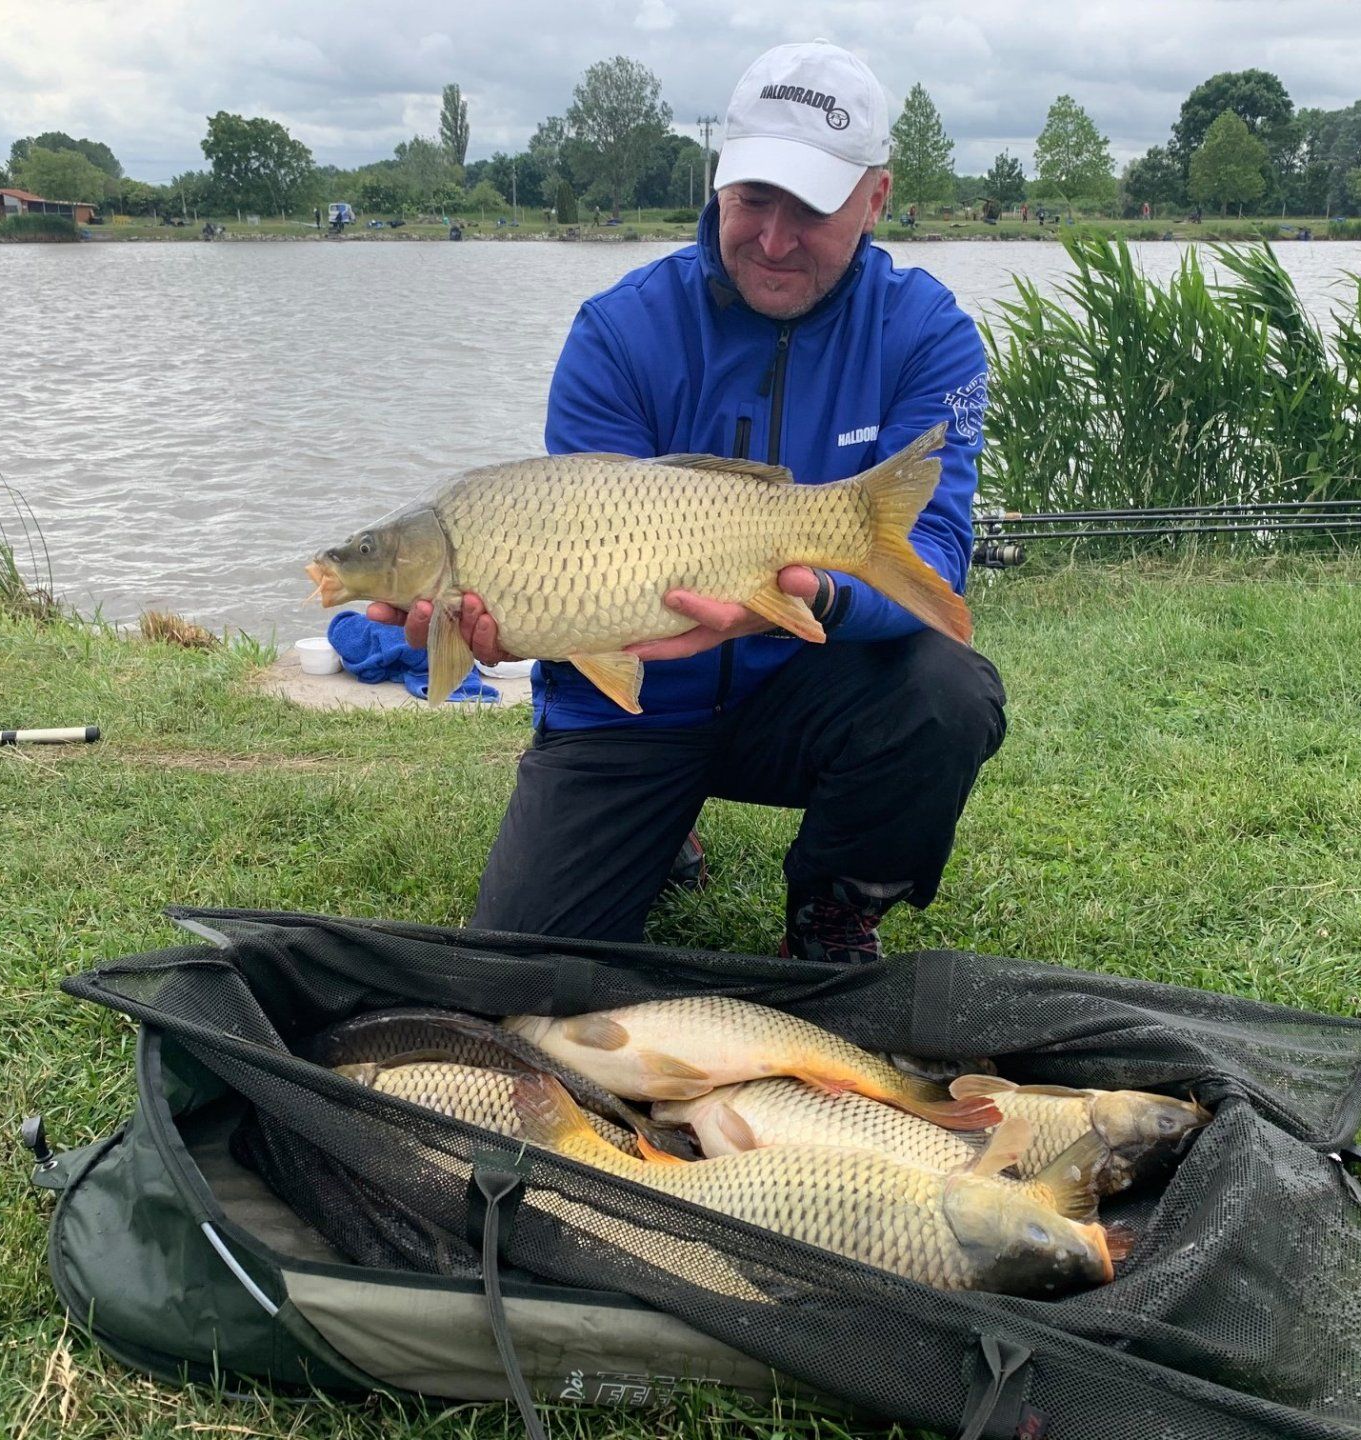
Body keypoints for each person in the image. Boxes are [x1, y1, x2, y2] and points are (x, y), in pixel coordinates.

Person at [370, 40, 1005, 961]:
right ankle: (660, 825)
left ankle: (839, 902)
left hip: (802, 685)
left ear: (876, 198)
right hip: (628, 709)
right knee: (525, 977)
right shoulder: (620, 330)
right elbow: (575, 562)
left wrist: (799, 600)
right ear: (716, 181)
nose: (776, 241)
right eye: (753, 201)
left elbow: (937, 553)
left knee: (946, 693)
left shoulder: (928, 335)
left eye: (813, 207)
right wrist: (508, 620)